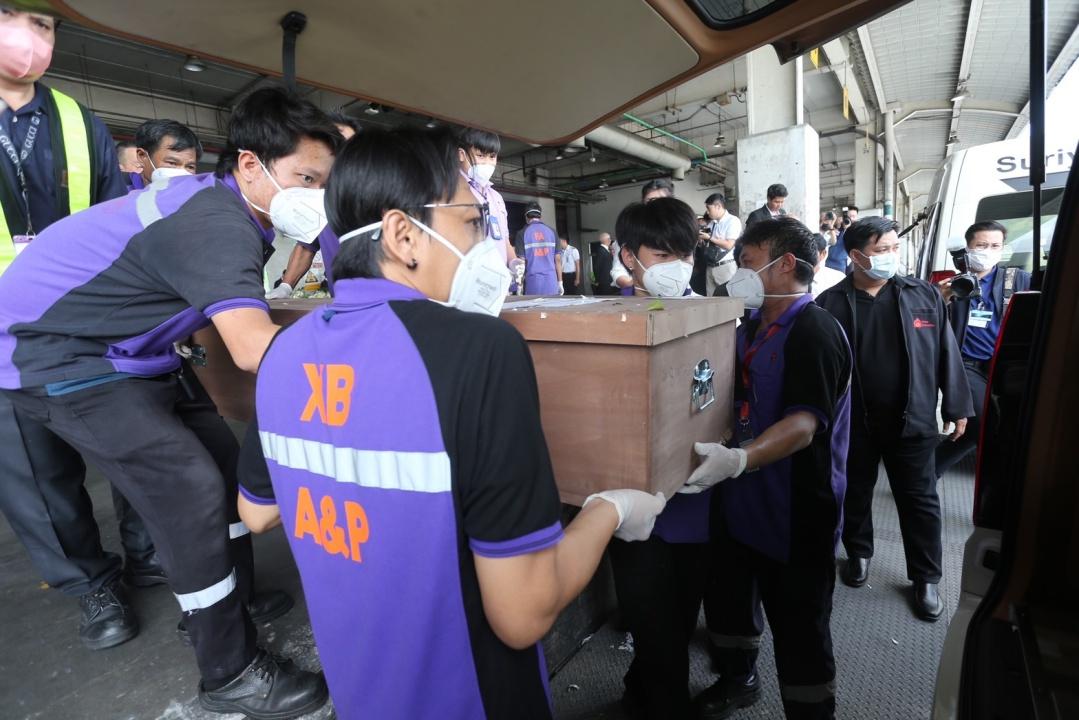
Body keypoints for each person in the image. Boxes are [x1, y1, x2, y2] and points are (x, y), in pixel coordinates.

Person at [234, 125, 666, 720]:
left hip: (359, 689)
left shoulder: (283, 351)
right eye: (471, 221)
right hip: (468, 696)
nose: (483, 243)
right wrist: (609, 511)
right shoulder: (479, 349)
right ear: (403, 235)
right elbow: (523, 613)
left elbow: (257, 512)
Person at [0, 85, 339, 718]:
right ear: (250, 165)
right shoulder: (215, 222)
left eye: (326, 183)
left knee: (223, 465)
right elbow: (252, 349)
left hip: (132, 351)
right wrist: (376, 360)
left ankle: (228, 597)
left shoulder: (227, 208)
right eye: (306, 178)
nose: (317, 195)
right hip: (56, 354)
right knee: (186, 486)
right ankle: (230, 672)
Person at [0, 6, 154, 652]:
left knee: (133, 435)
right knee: (33, 467)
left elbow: (117, 215)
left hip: (86, 314)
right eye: (9, 15)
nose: (28, 36)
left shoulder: (75, 119)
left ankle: (150, 551)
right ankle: (90, 582)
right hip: (2, 330)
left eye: (43, 22)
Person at [687, 216, 851, 720]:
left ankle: (810, 710)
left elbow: (803, 425)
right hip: (740, 497)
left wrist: (740, 458)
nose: (739, 272)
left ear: (784, 265)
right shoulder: (750, 326)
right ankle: (739, 679)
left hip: (796, 504)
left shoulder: (815, 331)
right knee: (730, 602)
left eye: (747, 261)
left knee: (799, 623)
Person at [817, 217, 972, 622]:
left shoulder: (922, 295)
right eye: (882, 250)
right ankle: (859, 553)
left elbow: (946, 350)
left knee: (919, 499)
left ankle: (926, 577)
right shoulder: (831, 303)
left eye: (894, 248)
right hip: (854, 420)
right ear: (857, 256)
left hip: (912, 418)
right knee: (855, 490)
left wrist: (957, 405)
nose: (891, 256)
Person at [604, 198, 712, 718]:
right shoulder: (606, 319)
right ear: (630, 257)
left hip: (695, 500)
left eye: (684, 255)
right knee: (650, 619)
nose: (677, 267)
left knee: (679, 616)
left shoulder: (716, 317)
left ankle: (640, 690)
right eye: (662, 255)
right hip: (631, 507)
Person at [935, 220, 1031, 477]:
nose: (988, 251)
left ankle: (925, 472)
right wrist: (940, 300)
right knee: (981, 425)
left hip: (1003, 366)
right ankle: (926, 475)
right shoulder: (952, 284)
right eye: (981, 245)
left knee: (994, 429)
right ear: (967, 249)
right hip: (966, 365)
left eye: (995, 245)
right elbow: (928, 325)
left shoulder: (1018, 280)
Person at [271, 110, 360, 297]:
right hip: (342, 302)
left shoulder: (378, 195)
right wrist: (285, 287)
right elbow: (306, 247)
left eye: (347, 147)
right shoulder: (317, 199)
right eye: (333, 145)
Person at [128, 118, 202, 190]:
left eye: (190, 167)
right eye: (172, 163)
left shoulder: (197, 196)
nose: (182, 173)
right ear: (142, 156)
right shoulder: (123, 193)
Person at [700, 192, 741, 295]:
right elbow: (708, 241)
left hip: (725, 267)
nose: (707, 212)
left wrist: (709, 238)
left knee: (728, 298)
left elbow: (729, 245)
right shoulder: (712, 223)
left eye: (709, 209)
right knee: (711, 299)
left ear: (718, 206)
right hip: (710, 265)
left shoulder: (733, 221)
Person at [521, 200, 561, 295]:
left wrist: (519, 285)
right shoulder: (552, 232)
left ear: (526, 216)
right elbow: (558, 259)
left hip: (533, 284)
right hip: (551, 283)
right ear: (540, 216)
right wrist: (560, 281)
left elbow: (521, 263)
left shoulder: (522, 233)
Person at [811, 233, 846, 298]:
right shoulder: (791, 278)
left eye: (811, 253)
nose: (805, 256)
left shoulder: (837, 279)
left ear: (823, 254)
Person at [825, 206, 857, 272]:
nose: (850, 218)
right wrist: (834, 226)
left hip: (841, 264)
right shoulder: (833, 230)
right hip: (828, 263)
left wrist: (847, 229)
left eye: (853, 216)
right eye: (848, 216)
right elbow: (832, 241)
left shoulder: (854, 231)